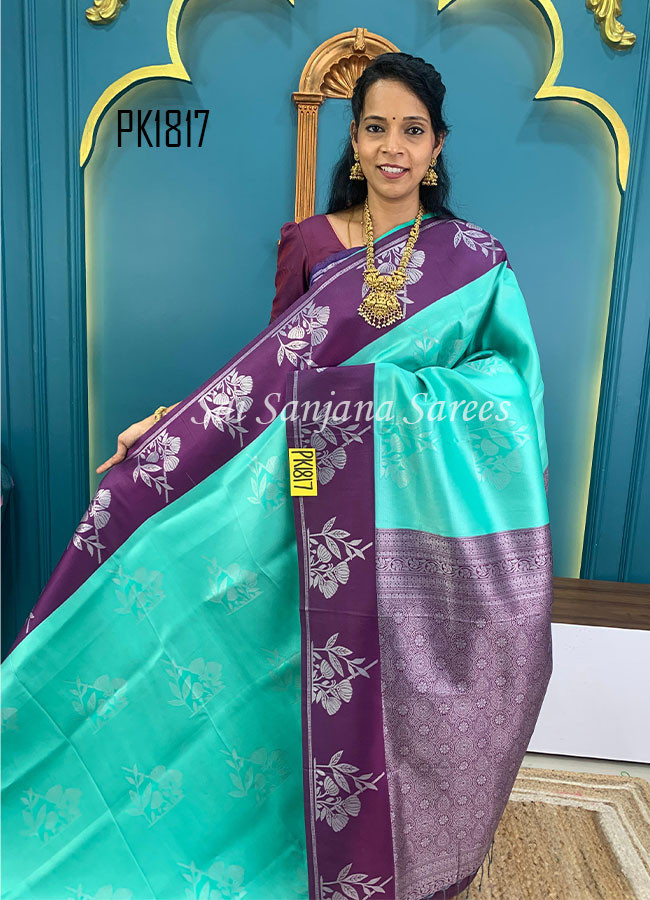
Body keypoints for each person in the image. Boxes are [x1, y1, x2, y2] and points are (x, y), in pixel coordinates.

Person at [2, 53, 553, 900]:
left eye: (412, 131)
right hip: (297, 472)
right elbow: (265, 370)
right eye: (377, 129)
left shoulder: (474, 261)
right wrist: (171, 423)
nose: (394, 148)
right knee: (264, 623)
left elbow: (505, 395)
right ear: (354, 140)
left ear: (437, 146)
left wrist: (372, 397)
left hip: (400, 508)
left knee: (340, 654)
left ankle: (345, 836)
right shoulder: (312, 240)